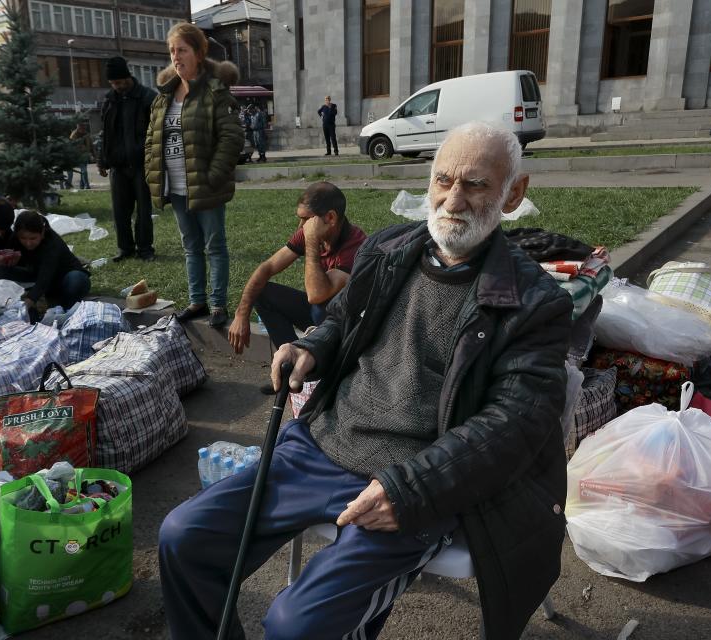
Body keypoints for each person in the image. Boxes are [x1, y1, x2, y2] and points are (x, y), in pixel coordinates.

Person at [159, 122, 574, 640]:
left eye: (475, 185)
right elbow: (342, 319)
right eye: (443, 181)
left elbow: (514, 425)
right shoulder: (390, 249)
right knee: (183, 538)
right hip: (321, 444)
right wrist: (312, 345)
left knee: (297, 625)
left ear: (514, 193)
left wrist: (410, 488)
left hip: (415, 481)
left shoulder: (536, 303)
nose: (453, 199)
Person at [145, 22, 243, 328]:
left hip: (205, 185)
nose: (176, 56)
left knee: (214, 245)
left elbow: (232, 137)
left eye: (182, 50)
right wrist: (153, 171)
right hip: (175, 186)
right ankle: (197, 300)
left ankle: (217, 304)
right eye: (172, 51)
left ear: (198, 53)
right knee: (190, 246)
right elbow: (151, 138)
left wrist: (213, 175)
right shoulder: (164, 96)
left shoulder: (214, 91)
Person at [227, 181, 366, 386]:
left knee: (320, 306)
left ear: (330, 218)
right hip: (320, 315)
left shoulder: (356, 245)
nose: (301, 227)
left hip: (343, 327)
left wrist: (310, 241)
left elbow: (316, 294)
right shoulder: (310, 231)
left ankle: (319, 373)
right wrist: (241, 314)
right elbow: (267, 268)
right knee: (263, 293)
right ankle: (288, 365)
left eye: (306, 220)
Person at [98, 56, 157, 262]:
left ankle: (145, 248)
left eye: (120, 82)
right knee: (120, 211)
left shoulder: (147, 97)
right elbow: (104, 133)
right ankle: (125, 248)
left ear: (127, 77)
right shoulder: (109, 100)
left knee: (143, 209)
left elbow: (157, 133)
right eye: (113, 83)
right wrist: (102, 159)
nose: (117, 86)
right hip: (117, 165)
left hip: (141, 164)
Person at [0, 210, 90, 315]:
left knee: (76, 279)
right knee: (3, 270)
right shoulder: (15, 239)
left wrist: (28, 303)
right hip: (39, 279)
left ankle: (65, 308)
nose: (28, 243)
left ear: (42, 233)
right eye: (23, 238)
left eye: (33, 238)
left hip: (63, 279)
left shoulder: (52, 244)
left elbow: (46, 275)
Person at [67, 122, 93, 190]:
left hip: (85, 155)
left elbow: (91, 145)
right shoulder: (73, 135)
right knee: (83, 171)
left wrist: (93, 154)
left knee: (83, 171)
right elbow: (73, 145)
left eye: (84, 128)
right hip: (76, 156)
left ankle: (82, 186)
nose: (83, 129)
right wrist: (83, 148)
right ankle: (86, 186)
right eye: (81, 128)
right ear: (78, 128)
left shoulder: (86, 134)